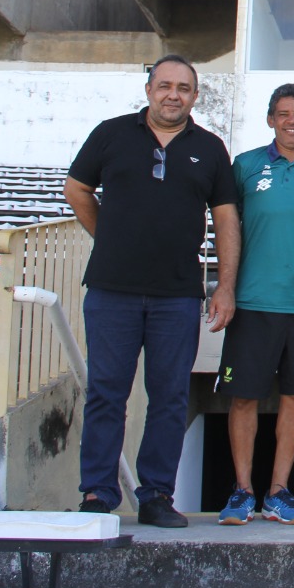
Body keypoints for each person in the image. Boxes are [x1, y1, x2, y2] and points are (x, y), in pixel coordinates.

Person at [64, 55, 240, 528]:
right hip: (112, 290)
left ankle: (157, 495)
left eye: (183, 88)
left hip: (177, 294)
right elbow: (77, 189)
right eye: (165, 86)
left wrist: (225, 286)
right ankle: (97, 494)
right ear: (149, 90)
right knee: (106, 393)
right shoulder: (111, 134)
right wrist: (109, 237)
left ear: (195, 96)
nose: (173, 95)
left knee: (169, 397)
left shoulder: (210, 148)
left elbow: (226, 219)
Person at [215, 84, 294, 526]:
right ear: (270, 119)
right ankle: (242, 491)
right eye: (284, 114)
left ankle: (278, 492)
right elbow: (229, 226)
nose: (292, 121)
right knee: (243, 398)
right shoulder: (246, 165)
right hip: (253, 301)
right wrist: (227, 287)